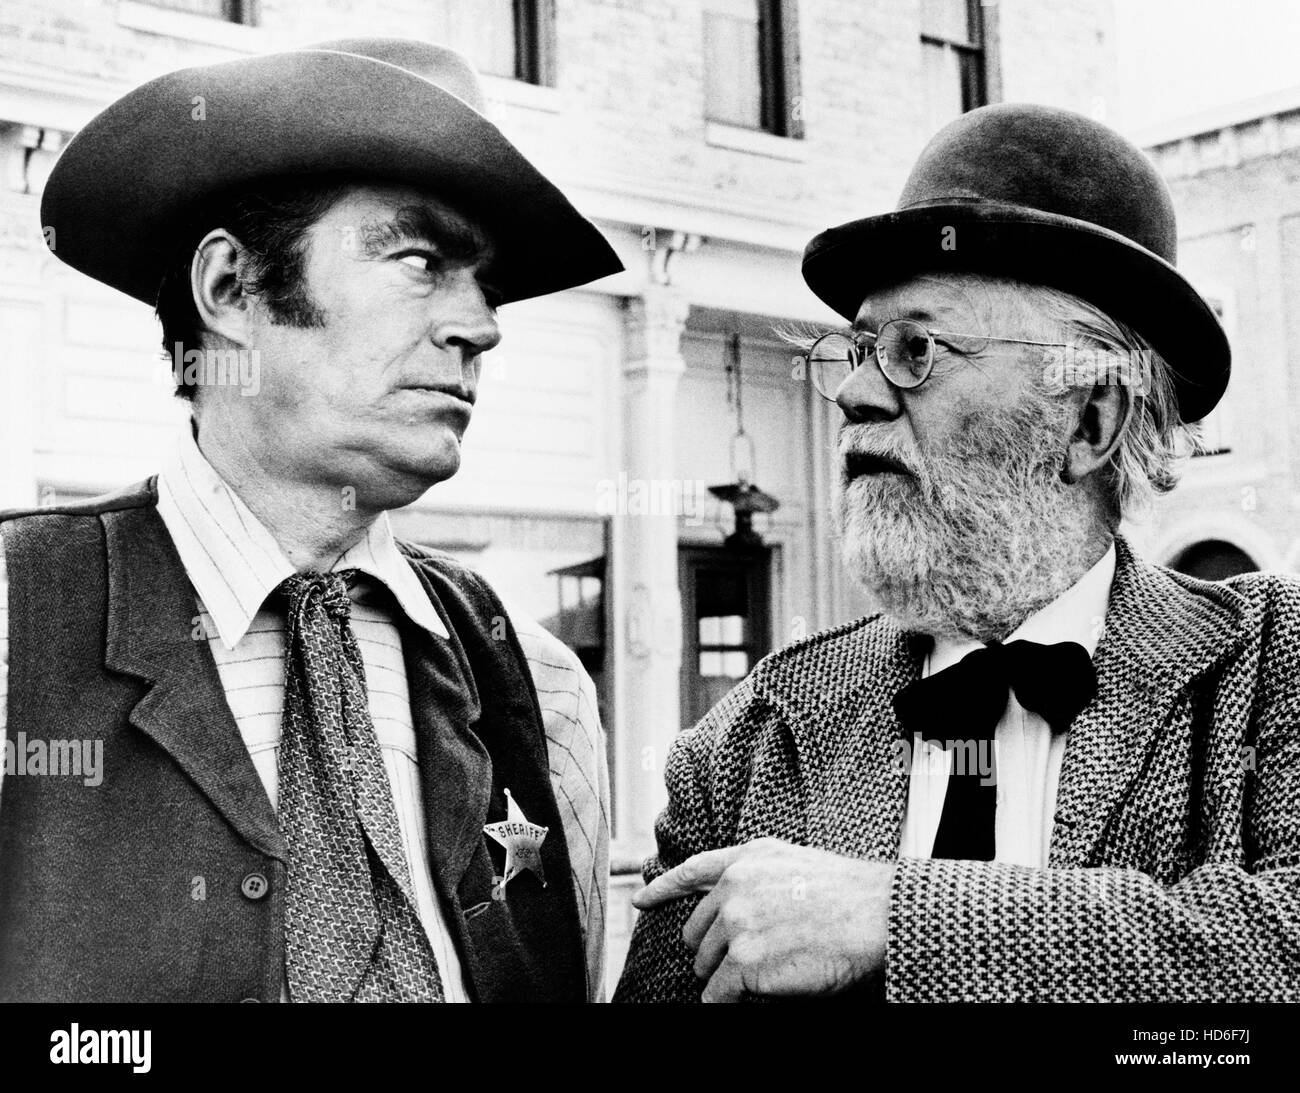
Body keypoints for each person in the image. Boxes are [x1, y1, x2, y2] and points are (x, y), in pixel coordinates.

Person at [615, 102, 1300, 1003]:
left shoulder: (1268, 665)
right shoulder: (746, 742)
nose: (855, 391)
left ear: (1091, 419)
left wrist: (901, 919)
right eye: (860, 347)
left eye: (916, 348)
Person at [0, 38, 622, 1003]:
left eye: (486, 285)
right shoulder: (13, 624)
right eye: (421, 260)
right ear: (231, 290)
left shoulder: (540, 689)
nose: (482, 326)